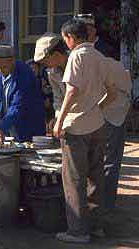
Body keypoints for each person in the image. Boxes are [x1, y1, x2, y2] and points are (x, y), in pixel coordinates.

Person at [53, 19, 117, 243]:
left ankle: (78, 231)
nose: (66, 44)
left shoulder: (76, 56)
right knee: (95, 177)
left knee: (74, 179)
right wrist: (97, 107)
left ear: (71, 38)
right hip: (98, 125)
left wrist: (59, 121)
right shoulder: (99, 57)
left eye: (65, 40)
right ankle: (96, 226)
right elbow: (113, 92)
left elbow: (71, 91)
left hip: (77, 127)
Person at [0, 45, 46, 142]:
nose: (0, 71)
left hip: (28, 127)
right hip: (11, 126)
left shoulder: (24, 75)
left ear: (12, 60)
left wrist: (2, 126)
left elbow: (18, 106)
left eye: (4, 67)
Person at [101, 58, 132, 210]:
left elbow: (111, 94)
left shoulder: (99, 62)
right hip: (104, 110)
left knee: (109, 159)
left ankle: (106, 204)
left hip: (115, 112)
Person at [34, 33, 68, 126]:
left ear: (56, 54)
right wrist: (58, 118)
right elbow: (58, 98)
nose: (44, 65)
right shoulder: (52, 73)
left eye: (45, 61)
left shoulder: (78, 63)